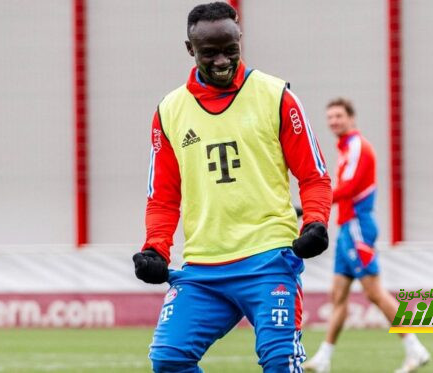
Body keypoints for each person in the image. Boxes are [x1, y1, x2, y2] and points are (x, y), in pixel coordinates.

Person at [132, 3, 333, 372]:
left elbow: (314, 175)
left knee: (279, 362)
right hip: (203, 267)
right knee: (169, 360)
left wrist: (315, 223)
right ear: (190, 50)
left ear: (240, 41)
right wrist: (155, 248)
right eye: (210, 52)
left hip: (269, 260)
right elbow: (162, 196)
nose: (223, 60)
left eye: (231, 49)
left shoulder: (276, 96)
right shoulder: (169, 111)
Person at [302, 98, 430, 373]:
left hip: (358, 226)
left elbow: (348, 188)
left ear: (351, 118)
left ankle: (415, 347)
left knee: (374, 293)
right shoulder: (346, 148)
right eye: (330, 117)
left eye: (338, 116)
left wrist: (311, 204)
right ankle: (324, 358)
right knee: (337, 296)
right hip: (347, 228)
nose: (333, 121)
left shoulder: (358, 146)